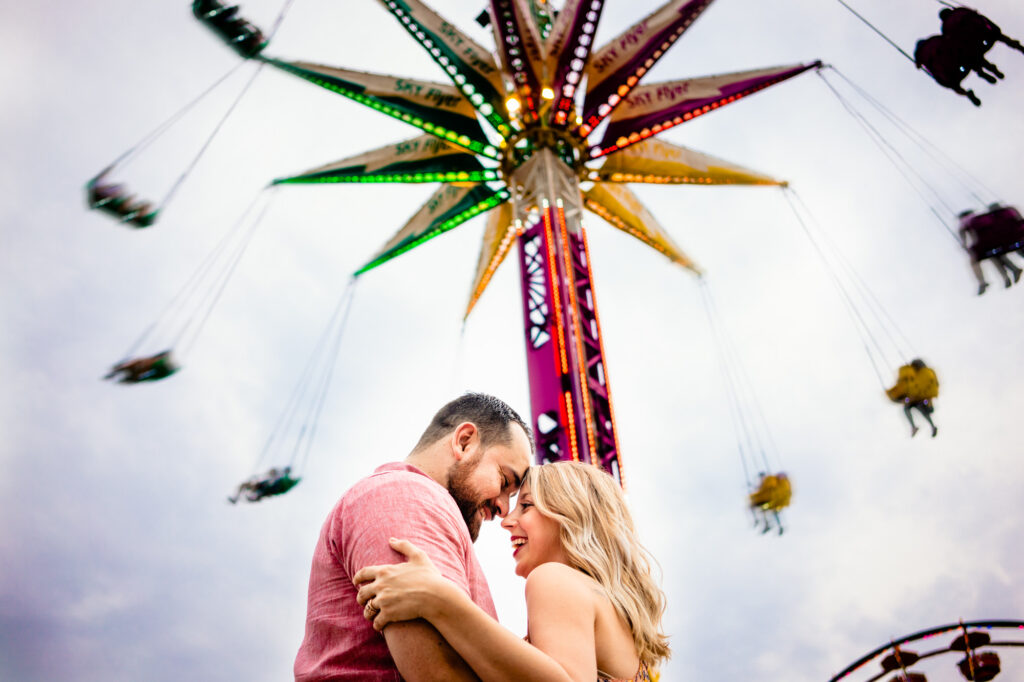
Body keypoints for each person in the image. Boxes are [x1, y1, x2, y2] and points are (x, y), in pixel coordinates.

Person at [354, 461, 671, 682]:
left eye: (527, 505)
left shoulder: (553, 579)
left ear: (571, 517)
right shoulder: (620, 616)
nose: (506, 520)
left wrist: (439, 599)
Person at [293, 393, 533, 682]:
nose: (503, 509)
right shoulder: (408, 496)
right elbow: (440, 675)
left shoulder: (408, 499)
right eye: (505, 481)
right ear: (464, 441)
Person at [959, 209, 1022, 294]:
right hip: (996, 241)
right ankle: (1010, 272)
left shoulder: (966, 222)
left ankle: (984, 282)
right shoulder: (982, 218)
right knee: (996, 256)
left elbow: (962, 233)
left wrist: (964, 244)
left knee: (981, 259)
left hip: (985, 245)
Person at [914, 35, 982, 106]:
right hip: (956, 63)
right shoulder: (934, 40)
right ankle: (979, 71)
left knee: (954, 86)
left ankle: (966, 94)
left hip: (946, 73)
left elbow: (918, 66)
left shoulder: (919, 54)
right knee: (969, 60)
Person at [886, 359, 939, 438]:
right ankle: (916, 426)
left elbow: (925, 386)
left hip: (919, 398)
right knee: (910, 409)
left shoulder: (925, 374)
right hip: (913, 399)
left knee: (921, 410)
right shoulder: (913, 374)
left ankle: (931, 426)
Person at [227, 465, 300, 503]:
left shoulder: (281, 477)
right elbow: (268, 474)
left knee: (259, 489)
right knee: (243, 485)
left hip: (265, 487)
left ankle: (254, 495)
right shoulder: (277, 473)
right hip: (261, 484)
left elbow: (274, 483)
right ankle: (236, 498)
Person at [103, 350, 179, 383]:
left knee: (134, 366)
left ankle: (115, 372)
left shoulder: (136, 368)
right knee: (133, 366)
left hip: (154, 365)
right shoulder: (136, 371)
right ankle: (115, 372)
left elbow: (153, 377)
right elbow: (153, 377)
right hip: (155, 365)